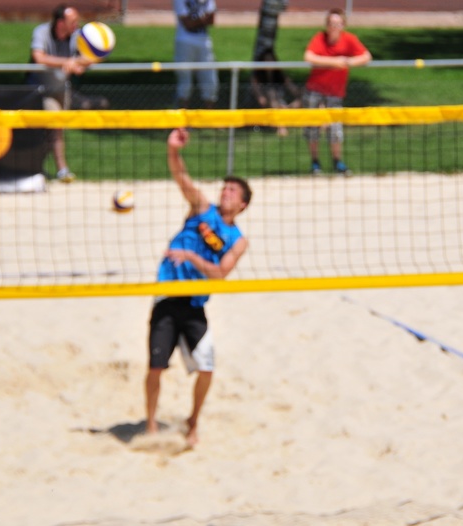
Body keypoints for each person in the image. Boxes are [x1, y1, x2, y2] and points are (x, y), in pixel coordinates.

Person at [145, 128, 252, 447]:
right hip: (168, 295)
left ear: (243, 204)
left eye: (233, 191)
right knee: (155, 367)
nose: (226, 192)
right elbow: (182, 178)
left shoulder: (238, 240)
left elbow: (220, 274)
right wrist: (173, 150)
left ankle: (193, 422)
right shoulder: (201, 209)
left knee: (207, 368)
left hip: (194, 304)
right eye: (225, 187)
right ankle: (151, 424)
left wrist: (191, 255)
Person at [27, 4, 108, 183]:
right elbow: (39, 57)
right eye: (72, 21)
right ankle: (51, 169)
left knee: (57, 129)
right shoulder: (42, 32)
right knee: (49, 128)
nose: (76, 25)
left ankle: (51, 169)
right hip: (39, 90)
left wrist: (79, 63)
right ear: (60, 22)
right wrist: (69, 62)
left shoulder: (77, 36)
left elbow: (93, 58)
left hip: (62, 89)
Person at [303, 8, 371, 176]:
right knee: (313, 127)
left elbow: (366, 56)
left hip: (335, 92)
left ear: (343, 25)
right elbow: (309, 57)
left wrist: (347, 61)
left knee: (335, 128)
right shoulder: (319, 38)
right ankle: (315, 162)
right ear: (327, 25)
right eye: (331, 23)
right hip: (315, 90)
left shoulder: (349, 39)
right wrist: (334, 62)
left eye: (337, 23)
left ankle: (337, 161)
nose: (334, 26)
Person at [173, 0, 218, 109]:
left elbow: (211, 19)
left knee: (210, 79)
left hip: (204, 41)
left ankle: (208, 119)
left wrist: (195, 20)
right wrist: (203, 19)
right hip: (185, 41)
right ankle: (182, 119)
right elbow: (187, 23)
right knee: (185, 82)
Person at [250, 48, 301, 137]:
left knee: (305, 98)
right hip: (267, 107)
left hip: (283, 106)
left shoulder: (280, 76)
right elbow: (261, 100)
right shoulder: (257, 78)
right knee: (272, 95)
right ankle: (282, 128)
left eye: (271, 60)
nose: (269, 63)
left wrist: (300, 96)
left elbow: (294, 90)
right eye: (266, 60)